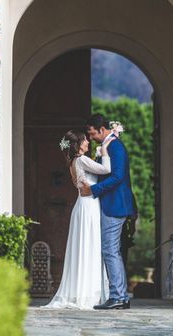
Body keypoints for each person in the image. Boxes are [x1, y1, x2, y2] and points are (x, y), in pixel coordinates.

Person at [43, 130, 115, 310]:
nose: (87, 143)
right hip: (89, 206)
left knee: (83, 246)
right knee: (90, 246)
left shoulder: (73, 162)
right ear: (78, 144)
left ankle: (83, 290)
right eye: (85, 140)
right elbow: (106, 170)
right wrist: (105, 148)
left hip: (81, 205)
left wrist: (98, 154)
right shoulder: (82, 160)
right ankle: (91, 294)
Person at [80, 114, 137, 310]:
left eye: (93, 133)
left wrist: (93, 190)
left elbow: (118, 176)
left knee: (110, 251)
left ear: (102, 130)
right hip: (110, 204)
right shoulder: (108, 146)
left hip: (115, 205)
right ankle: (119, 296)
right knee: (112, 251)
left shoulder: (115, 146)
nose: (91, 137)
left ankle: (119, 296)